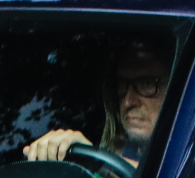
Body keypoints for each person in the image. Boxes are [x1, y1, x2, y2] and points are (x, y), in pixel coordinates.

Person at [19, 37, 173, 165]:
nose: (127, 102)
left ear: (177, 86)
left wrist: (98, 164)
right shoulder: (117, 149)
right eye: (121, 85)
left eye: (146, 84)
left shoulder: (192, 159)